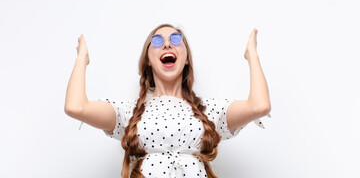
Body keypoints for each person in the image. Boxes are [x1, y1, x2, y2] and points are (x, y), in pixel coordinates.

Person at [65, 23, 271, 178]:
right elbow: (75, 107)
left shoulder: (209, 111)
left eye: (175, 39)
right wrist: (82, 59)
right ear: (147, 59)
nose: (166, 44)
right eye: (156, 41)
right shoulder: (129, 112)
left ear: (186, 57)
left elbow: (259, 106)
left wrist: (251, 55)